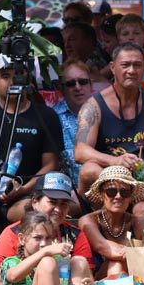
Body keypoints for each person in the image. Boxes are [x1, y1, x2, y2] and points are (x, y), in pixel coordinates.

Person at [75, 44, 144, 222]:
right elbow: (80, 151)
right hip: (105, 192)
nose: (131, 70)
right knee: (88, 169)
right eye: (125, 65)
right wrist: (116, 161)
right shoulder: (94, 106)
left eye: (137, 65)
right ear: (113, 68)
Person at [0, 55, 62, 223]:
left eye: (19, 75)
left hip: (23, 189)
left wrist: (23, 189)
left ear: (28, 79)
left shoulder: (45, 115)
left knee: (34, 209)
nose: (13, 81)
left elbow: (50, 164)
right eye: (5, 76)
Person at [0, 173, 92, 285]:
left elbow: (86, 277)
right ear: (35, 202)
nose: (58, 209)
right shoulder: (13, 233)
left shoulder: (76, 235)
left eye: (64, 204)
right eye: (52, 202)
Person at [78, 166, 144, 278]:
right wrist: (138, 251)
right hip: (99, 284)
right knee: (115, 263)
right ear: (101, 194)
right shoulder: (89, 220)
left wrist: (131, 253)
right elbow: (104, 247)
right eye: (111, 191)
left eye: (124, 192)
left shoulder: (138, 222)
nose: (118, 196)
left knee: (119, 262)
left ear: (130, 197)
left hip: (137, 281)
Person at [52, 58, 93, 190]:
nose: (78, 87)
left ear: (91, 84)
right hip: (67, 193)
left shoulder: (105, 111)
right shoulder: (53, 117)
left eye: (83, 82)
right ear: (61, 88)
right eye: (70, 83)